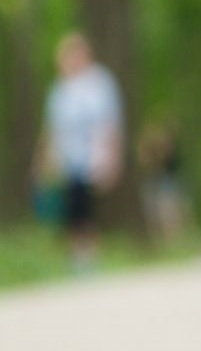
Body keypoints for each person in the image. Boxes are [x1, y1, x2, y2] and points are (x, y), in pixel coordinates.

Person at [31, 32, 123, 272]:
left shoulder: (99, 82)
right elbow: (51, 128)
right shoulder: (59, 90)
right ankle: (77, 257)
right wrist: (42, 159)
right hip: (68, 157)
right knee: (72, 208)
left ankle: (91, 256)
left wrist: (113, 156)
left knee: (87, 207)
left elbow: (110, 121)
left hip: (93, 155)